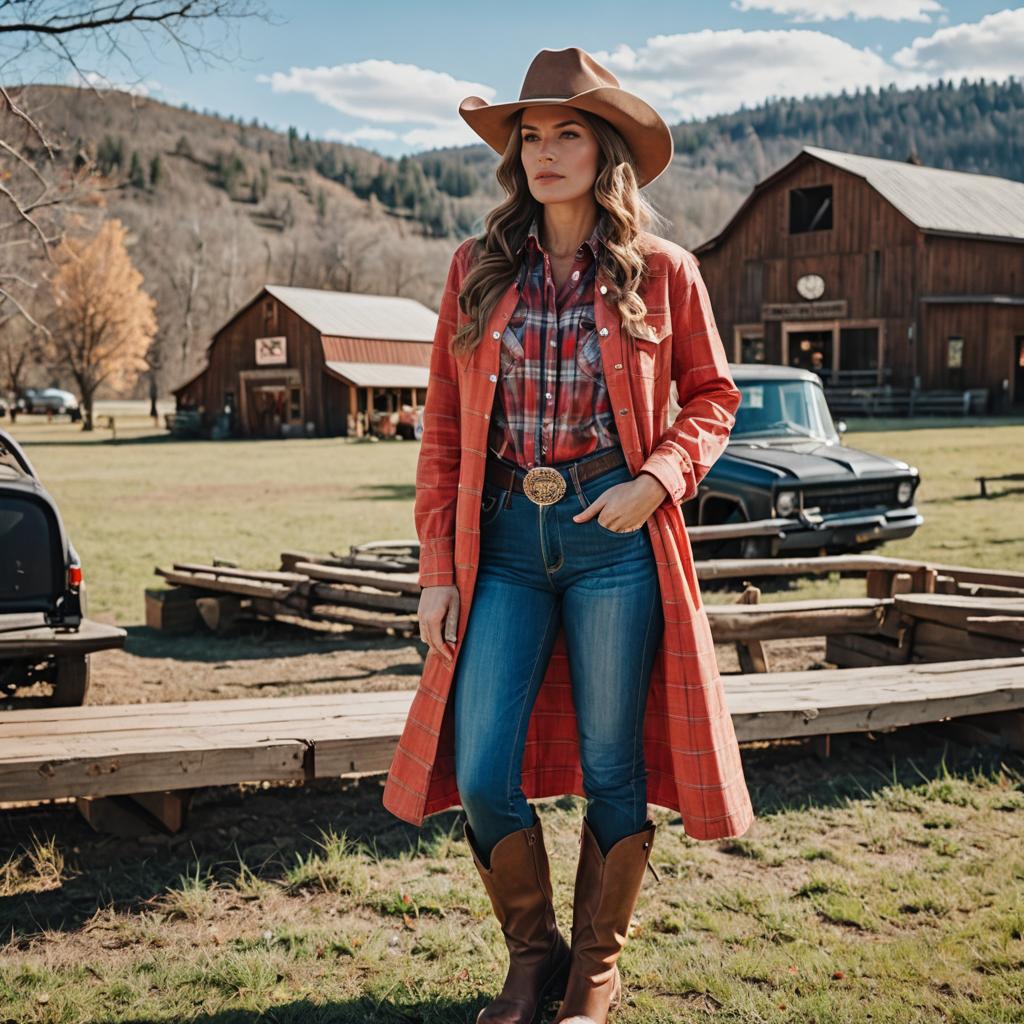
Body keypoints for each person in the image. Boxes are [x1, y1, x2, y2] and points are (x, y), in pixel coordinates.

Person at [388, 46, 754, 1024]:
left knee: (611, 763)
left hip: (612, 539)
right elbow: (444, 431)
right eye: (531, 136)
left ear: (606, 153)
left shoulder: (662, 272)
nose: (545, 152)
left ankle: (594, 966)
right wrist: (435, 568)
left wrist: (657, 478)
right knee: (481, 769)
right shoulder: (475, 269)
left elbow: (715, 397)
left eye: (568, 134)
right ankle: (531, 952)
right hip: (501, 540)